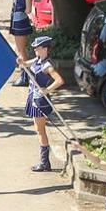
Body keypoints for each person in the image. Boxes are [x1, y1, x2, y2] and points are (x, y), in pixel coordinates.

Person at [24, 35, 65, 173]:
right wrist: (21, 61)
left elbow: (59, 80)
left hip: (40, 102)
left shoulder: (47, 65)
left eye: (38, 47)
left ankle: (44, 163)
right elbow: (25, 64)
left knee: (40, 131)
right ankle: (44, 162)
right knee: (39, 130)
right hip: (34, 98)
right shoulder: (37, 60)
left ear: (45, 49)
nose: (35, 49)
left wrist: (47, 90)